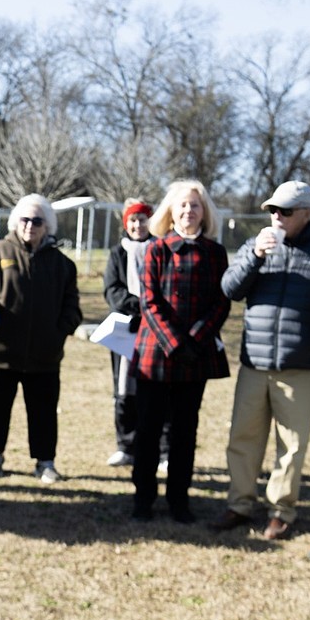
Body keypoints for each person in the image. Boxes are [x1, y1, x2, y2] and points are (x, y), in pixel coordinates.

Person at [210, 181, 310, 540]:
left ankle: (281, 511)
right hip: (255, 361)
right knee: (243, 437)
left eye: (285, 211)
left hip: (300, 365)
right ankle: (239, 504)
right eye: (273, 209)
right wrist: (255, 256)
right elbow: (229, 289)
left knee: (292, 445)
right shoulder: (255, 245)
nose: (276, 216)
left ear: (307, 213)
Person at [130, 179, 230, 523]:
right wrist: (174, 343)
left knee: (185, 433)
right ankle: (143, 498)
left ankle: (179, 500)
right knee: (148, 430)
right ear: (171, 211)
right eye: (183, 205)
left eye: (196, 205)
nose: (189, 211)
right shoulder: (155, 249)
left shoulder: (215, 253)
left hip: (196, 357)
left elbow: (221, 302)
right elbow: (149, 301)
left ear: (205, 212)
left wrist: (196, 339)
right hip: (155, 356)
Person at [0, 193, 82, 484]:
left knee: (44, 411)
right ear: (15, 221)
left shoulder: (62, 265)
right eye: (25, 219)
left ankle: (45, 462)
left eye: (38, 220)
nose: (30, 225)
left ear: (47, 225)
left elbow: (72, 304)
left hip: (44, 354)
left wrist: (61, 330)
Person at [103, 197, 169, 472]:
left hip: (158, 332)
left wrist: (152, 311)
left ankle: (164, 451)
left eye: (142, 219)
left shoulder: (162, 249)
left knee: (160, 392)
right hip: (126, 331)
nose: (137, 225)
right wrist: (142, 307)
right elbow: (113, 291)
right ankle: (125, 446)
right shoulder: (118, 253)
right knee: (124, 391)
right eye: (132, 220)